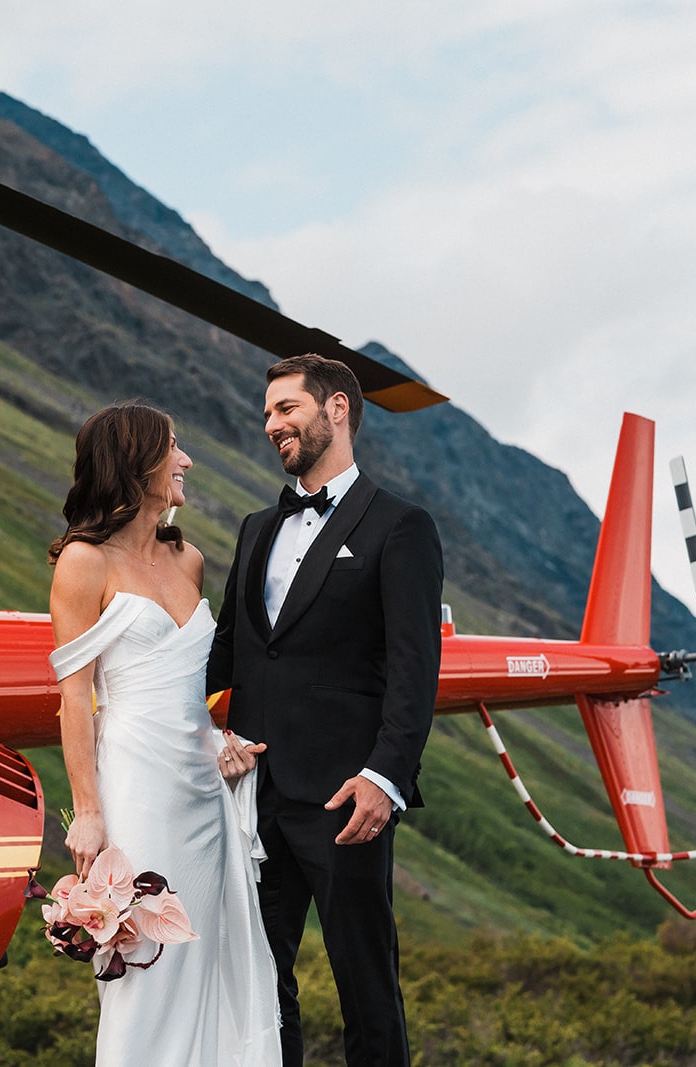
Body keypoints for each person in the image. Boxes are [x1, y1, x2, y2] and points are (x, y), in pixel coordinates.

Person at [208, 354, 443, 1066]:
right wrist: (205, 731)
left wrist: (384, 776)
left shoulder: (401, 526)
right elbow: (230, 654)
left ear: (337, 409)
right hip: (256, 800)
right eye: (269, 413)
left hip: (348, 798)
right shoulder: (255, 527)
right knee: (257, 986)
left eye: (287, 408)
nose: (273, 423)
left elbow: (415, 668)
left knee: (366, 987)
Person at [48, 402, 281, 1066]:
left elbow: (192, 689)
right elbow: (74, 698)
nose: (186, 461)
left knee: (211, 955)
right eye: (174, 448)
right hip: (136, 787)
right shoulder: (83, 564)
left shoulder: (189, 560)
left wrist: (222, 739)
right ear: (137, 462)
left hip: (202, 790)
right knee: (146, 968)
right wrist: (88, 813)